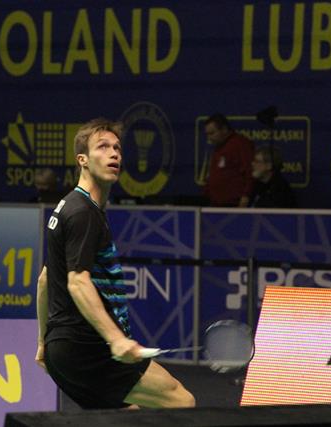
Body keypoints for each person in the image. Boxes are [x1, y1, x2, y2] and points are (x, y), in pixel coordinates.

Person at [35, 118, 195, 409]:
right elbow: (77, 281)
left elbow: (45, 280)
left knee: (125, 415)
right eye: (103, 147)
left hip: (63, 351)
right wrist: (116, 339)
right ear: (82, 160)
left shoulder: (69, 206)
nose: (114, 154)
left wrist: (44, 342)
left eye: (117, 148)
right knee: (181, 401)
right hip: (87, 347)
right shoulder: (84, 213)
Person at [203, 113, 254, 207]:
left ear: (224, 129)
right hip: (217, 203)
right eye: (207, 134)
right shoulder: (218, 147)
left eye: (212, 133)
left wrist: (246, 195)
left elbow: (249, 170)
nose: (209, 138)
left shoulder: (240, 144)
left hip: (234, 203)